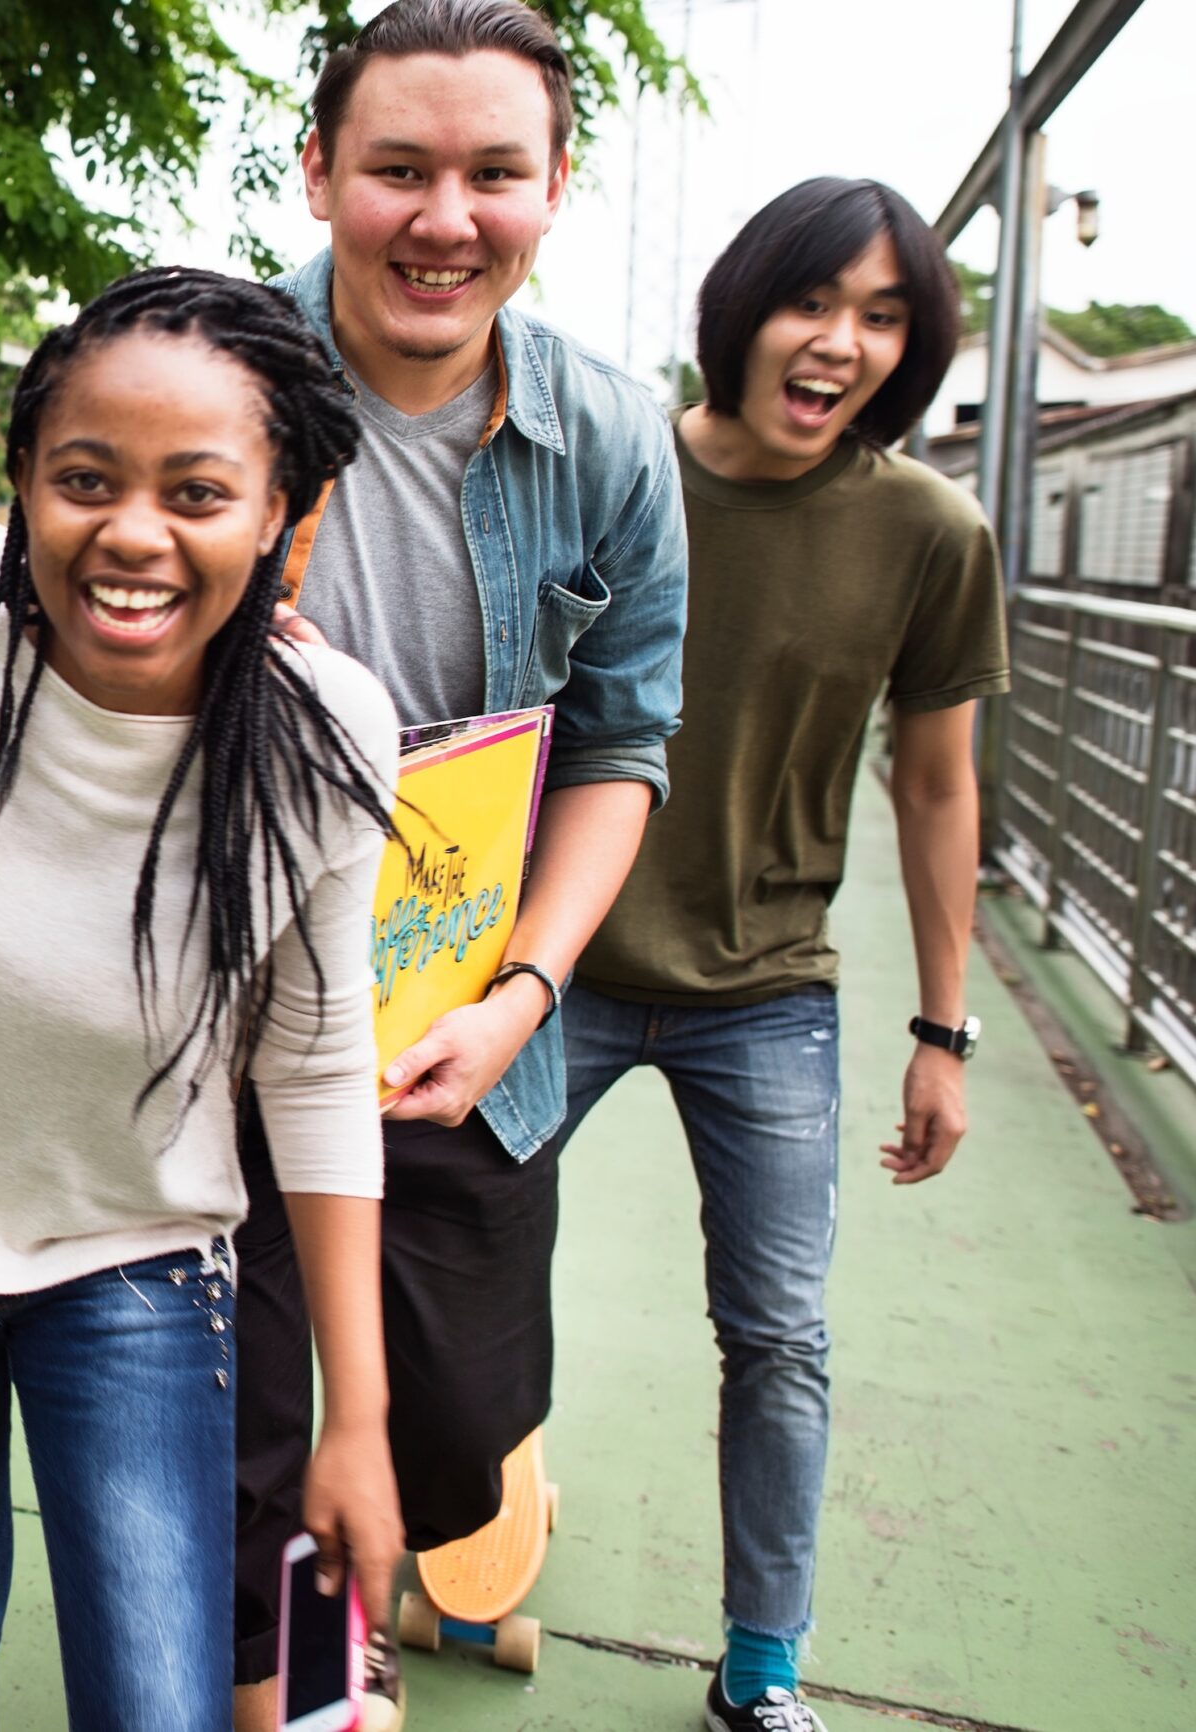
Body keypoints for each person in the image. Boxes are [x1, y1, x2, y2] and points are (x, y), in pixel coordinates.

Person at [0, 267, 402, 1731]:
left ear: (278, 517)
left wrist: (356, 1421)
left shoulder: (329, 736)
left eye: (196, 493)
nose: (131, 533)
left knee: (161, 1701)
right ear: (24, 493)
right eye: (84, 480)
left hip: (131, 1249)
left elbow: (313, 1067)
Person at [230, 5, 690, 1726]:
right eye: (399, 169)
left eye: (494, 173)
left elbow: (621, 749)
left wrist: (521, 994)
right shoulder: (210, 363)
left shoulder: (611, 442)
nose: (446, 217)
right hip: (214, 1004)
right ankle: (302, 1668)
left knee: (450, 1433)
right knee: (242, 1419)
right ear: (321, 174)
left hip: (457, 1035)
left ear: (553, 187)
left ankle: (397, 1551)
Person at [557, 178, 1002, 1732]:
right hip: (558, 966)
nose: (842, 344)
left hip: (767, 992)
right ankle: (390, 1581)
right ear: (746, 308)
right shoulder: (616, 473)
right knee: (429, 1271)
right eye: (818, 303)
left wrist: (943, 1034)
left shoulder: (930, 534)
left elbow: (939, 785)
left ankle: (761, 1670)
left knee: (780, 1334)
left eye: (886, 319)